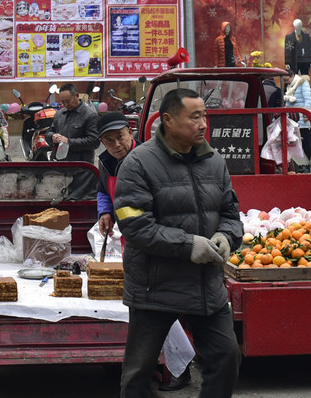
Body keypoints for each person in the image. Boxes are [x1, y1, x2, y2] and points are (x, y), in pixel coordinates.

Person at [114, 88, 243, 398]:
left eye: (205, 116)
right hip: (154, 286)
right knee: (139, 373)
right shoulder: (138, 164)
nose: (203, 125)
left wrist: (227, 236)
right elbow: (134, 224)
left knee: (226, 358)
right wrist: (188, 245)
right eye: (194, 117)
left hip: (205, 285)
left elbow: (231, 213)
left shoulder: (214, 162)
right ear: (168, 120)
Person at [96, 111, 196, 392]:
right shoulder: (106, 163)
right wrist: (106, 212)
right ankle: (158, 362)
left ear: (131, 132)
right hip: (133, 244)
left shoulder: (153, 158)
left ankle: (181, 365)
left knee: (159, 303)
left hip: (158, 242)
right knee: (145, 305)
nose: (116, 144)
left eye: (120, 137)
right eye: (108, 140)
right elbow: (104, 190)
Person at [46, 82, 100, 163]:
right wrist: (52, 136)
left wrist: (68, 142)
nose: (66, 105)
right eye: (62, 102)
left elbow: (94, 141)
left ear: (77, 96)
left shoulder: (90, 115)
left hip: (81, 166)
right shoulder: (60, 114)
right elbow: (50, 131)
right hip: (59, 162)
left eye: (68, 101)